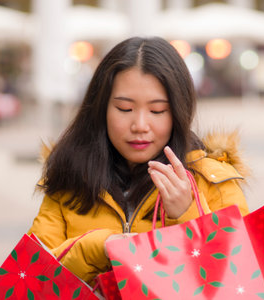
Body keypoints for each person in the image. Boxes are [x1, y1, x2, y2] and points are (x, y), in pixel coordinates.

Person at [28, 36, 250, 285]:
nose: (140, 126)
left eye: (157, 111)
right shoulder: (70, 176)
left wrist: (187, 213)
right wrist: (98, 247)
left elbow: (239, 281)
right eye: (124, 109)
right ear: (101, 108)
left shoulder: (213, 180)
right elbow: (31, 278)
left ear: (179, 111)